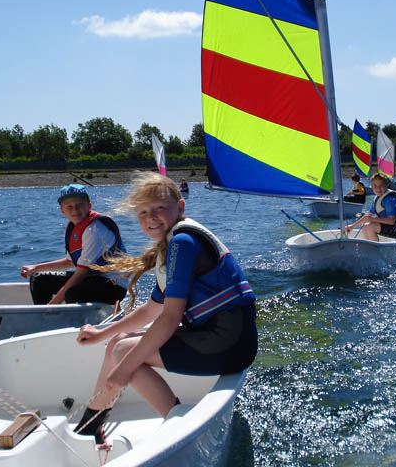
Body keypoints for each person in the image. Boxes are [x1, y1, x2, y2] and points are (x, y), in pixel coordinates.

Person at [72, 172, 258, 445]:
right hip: (224, 337)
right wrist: (102, 334)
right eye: (143, 212)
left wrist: (122, 373)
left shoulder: (183, 243)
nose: (151, 217)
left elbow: (169, 318)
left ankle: (178, 424)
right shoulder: (172, 246)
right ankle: (92, 423)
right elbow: (152, 310)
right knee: (118, 344)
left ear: (180, 207)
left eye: (160, 208)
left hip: (228, 342)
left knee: (126, 354)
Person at [19, 184, 127, 305]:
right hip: (90, 278)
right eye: (69, 206)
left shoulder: (95, 230)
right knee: (39, 278)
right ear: (62, 210)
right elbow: (69, 262)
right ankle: (45, 320)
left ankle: (50, 318)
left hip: (113, 285)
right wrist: (35, 268)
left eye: (79, 204)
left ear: (89, 205)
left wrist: (51, 306)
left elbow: (81, 273)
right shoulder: (73, 228)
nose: (75, 210)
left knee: (72, 292)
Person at [347, 173, 396, 240]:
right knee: (366, 226)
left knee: (370, 226)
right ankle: (368, 246)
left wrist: (373, 219)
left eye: (381, 185)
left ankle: (375, 248)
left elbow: (391, 221)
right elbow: (367, 217)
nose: (378, 188)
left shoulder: (389, 199)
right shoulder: (377, 198)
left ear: (387, 185)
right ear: (371, 186)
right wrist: (352, 227)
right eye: (375, 186)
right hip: (392, 226)